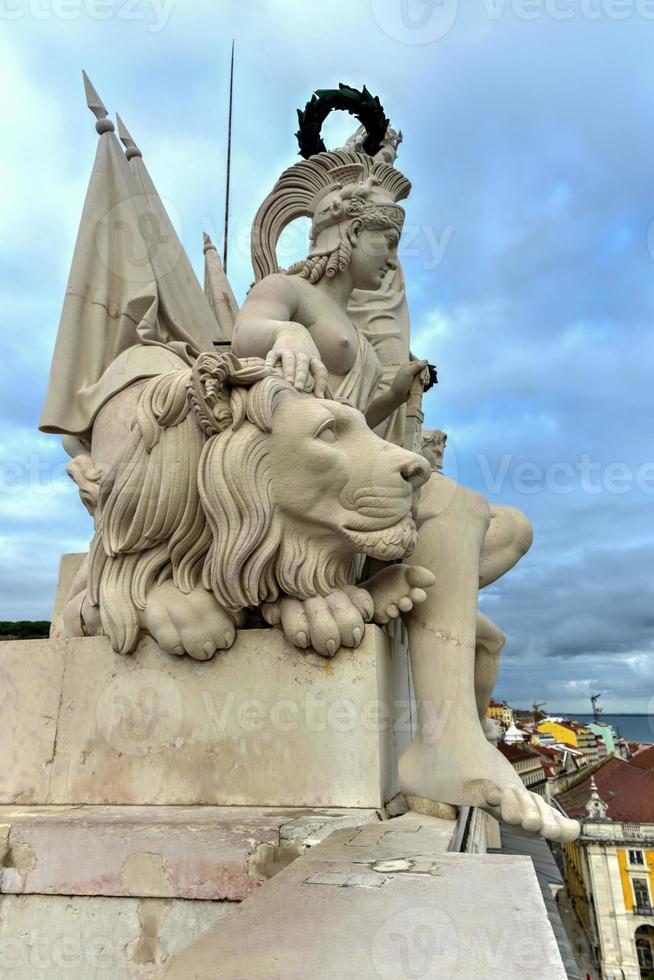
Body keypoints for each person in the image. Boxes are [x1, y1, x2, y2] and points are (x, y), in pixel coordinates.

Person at [233, 159, 579, 842]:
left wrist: (396, 391)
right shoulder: (289, 292)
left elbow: (354, 414)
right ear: (343, 232)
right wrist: (287, 334)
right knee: (457, 506)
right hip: (310, 489)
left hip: (352, 470)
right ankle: (442, 743)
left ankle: (416, 601)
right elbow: (250, 333)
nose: (393, 258)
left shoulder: (355, 328)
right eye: (384, 241)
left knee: (514, 528)